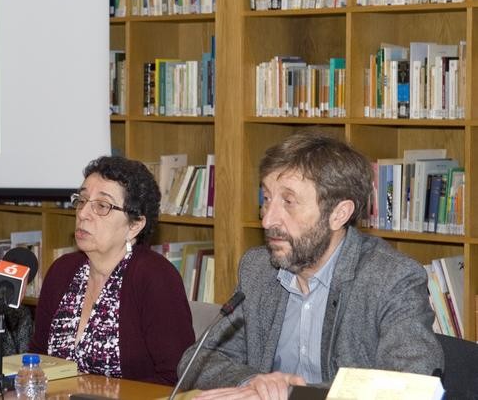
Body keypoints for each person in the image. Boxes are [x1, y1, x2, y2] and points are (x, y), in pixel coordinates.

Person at [178, 131, 443, 399]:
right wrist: (254, 382)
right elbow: (197, 362)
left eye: (288, 202)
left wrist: (294, 394)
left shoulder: (391, 278)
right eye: (267, 199)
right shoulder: (259, 269)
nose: (268, 220)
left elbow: (412, 385)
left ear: (339, 214)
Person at [30, 155, 195, 385]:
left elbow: (177, 378)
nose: (83, 213)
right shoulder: (62, 271)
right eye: (82, 200)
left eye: (102, 206)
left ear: (134, 225)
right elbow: (38, 360)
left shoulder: (155, 278)